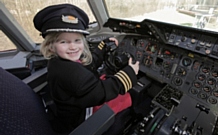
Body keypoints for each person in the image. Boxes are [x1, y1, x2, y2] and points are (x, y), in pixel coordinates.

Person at [33, 3, 139, 133]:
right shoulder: (68, 72)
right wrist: (128, 74)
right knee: (128, 97)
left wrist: (103, 47)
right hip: (79, 118)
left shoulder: (59, 61)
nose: (73, 47)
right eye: (64, 42)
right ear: (50, 45)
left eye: (77, 40)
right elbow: (99, 93)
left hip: (70, 108)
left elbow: (87, 66)